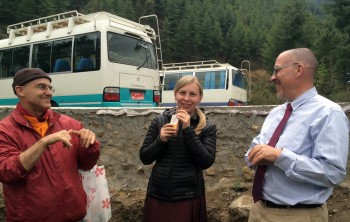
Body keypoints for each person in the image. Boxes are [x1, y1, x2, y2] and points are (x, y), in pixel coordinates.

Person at [245, 48, 349, 222]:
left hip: (298, 215)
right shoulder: (275, 114)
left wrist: (280, 157)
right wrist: (253, 157)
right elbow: (252, 151)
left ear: (299, 69)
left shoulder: (329, 113)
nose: (272, 77)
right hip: (258, 211)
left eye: (277, 70)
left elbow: (333, 173)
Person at [0, 68, 100, 221]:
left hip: (74, 216)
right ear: (20, 91)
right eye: (41, 87)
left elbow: (86, 165)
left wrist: (90, 145)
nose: (49, 92)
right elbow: (6, 172)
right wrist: (43, 143)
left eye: (50, 87)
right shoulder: (5, 130)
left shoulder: (69, 123)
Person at [140, 76, 217, 222]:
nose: (186, 98)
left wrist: (188, 130)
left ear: (200, 98)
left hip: (188, 196)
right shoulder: (160, 121)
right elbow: (145, 157)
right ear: (175, 94)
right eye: (182, 93)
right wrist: (161, 139)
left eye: (192, 94)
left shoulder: (207, 127)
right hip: (158, 194)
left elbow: (206, 162)